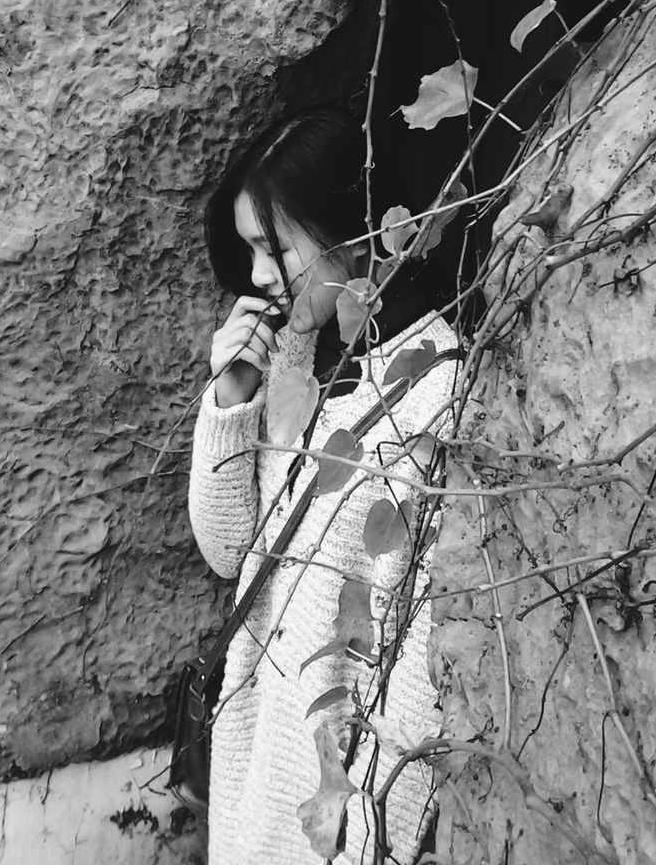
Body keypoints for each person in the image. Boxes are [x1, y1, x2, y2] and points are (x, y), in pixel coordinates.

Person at [188, 108, 458, 865]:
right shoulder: (298, 363)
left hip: (329, 806)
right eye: (247, 250)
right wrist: (232, 400)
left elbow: (417, 664)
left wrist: (371, 834)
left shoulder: (432, 389)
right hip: (253, 753)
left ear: (353, 226)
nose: (260, 276)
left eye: (272, 245)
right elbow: (229, 551)